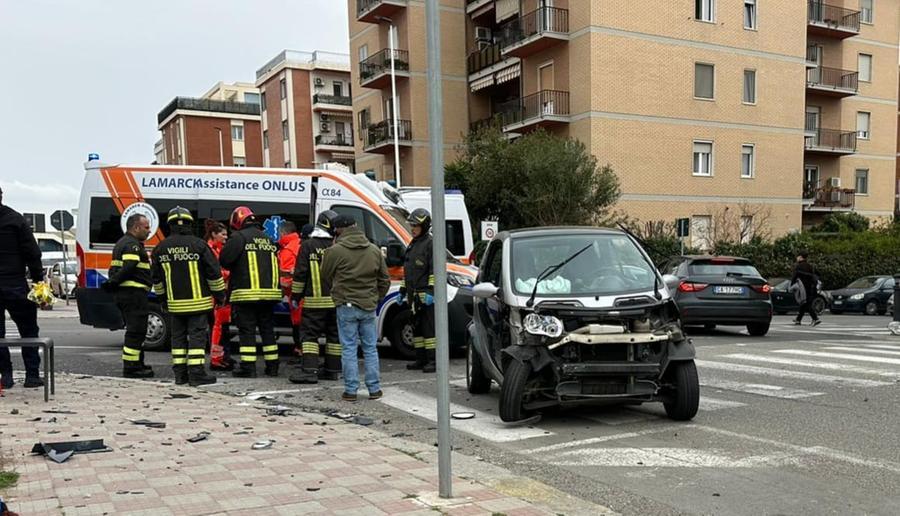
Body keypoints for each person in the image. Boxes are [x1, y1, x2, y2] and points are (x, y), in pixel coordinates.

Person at [151, 207, 226, 386]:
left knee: (177, 339)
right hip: (198, 304)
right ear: (190, 223)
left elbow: (157, 279)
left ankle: (180, 375)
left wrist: (163, 300)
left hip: (175, 305)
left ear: (170, 225)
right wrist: (220, 295)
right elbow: (214, 273)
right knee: (197, 338)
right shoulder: (199, 245)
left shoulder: (160, 248)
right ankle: (197, 374)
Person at [321, 214, 390, 402]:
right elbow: (385, 279)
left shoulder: (335, 251)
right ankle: (374, 388)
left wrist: (337, 293)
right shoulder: (374, 250)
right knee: (370, 348)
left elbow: (325, 275)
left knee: (349, 348)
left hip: (346, 304)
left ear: (338, 231)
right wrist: (376, 296)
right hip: (368, 304)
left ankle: (351, 390)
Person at [219, 206, 282, 378]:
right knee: (267, 331)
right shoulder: (268, 239)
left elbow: (225, 260)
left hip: (246, 295)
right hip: (269, 295)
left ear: (238, 221)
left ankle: (248, 367)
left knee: (247, 332)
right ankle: (272, 367)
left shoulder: (239, 237)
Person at [0, 186, 45, 388]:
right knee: (28, 331)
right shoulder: (15, 219)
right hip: (14, 285)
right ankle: (32, 376)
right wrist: (37, 282)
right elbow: (32, 253)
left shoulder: (15, 219)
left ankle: (6, 376)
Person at [289, 211, 341, 384]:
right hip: (335, 302)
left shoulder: (308, 245)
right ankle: (332, 370)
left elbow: (300, 274)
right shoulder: (337, 246)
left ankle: (309, 371)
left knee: (310, 336)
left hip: (314, 302)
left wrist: (295, 296)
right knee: (334, 337)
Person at [105, 212, 154, 378]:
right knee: (136, 332)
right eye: (146, 227)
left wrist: (113, 282)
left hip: (129, 294)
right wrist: (113, 282)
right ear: (136, 227)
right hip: (133, 294)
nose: (149, 231)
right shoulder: (132, 244)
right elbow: (129, 266)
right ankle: (132, 367)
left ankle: (137, 363)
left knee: (136, 331)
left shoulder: (123, 243)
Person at [401, 208, 436, 373]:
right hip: (413, 297)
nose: (412, 228)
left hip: (425, 296)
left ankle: (433, 360)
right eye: (412, 225)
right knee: (417, 330)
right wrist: (402, 290)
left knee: (429, 331)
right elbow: (407, 270)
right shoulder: (413, 244)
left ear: (425, 225)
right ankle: (421, 359)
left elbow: (434, 270)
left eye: (415, 225)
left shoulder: (430, 244)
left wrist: (431, 291)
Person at [205, 219, 234, 371]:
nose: (225, 237)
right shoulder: (210, 250)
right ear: (214, 234)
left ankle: (223, 356)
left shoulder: (218, 249)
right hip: (216, 295)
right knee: (218, 328)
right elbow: (215, 272)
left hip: (222, 294)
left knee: (223, 328)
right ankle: (216, 360)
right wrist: (230, 273)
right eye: (223, 234)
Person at [277, 221, 303, 349]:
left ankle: (300, 350)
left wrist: (279, 289)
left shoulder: (288, 250)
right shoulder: (300, 244)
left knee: (298, 325)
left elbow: (286, 278)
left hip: (296, 296)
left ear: (283, 233)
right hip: (306, 294)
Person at [792, 251, 821, 327]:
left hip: (802, 288)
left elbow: (795, 277)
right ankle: (798, 320)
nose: (797, 258)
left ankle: (815, 318)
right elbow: (816, 275)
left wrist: (792, 285)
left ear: (801, 257)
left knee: (806, 303)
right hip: (811, 287)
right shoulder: (810, 266)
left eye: (798, 256)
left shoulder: (799, 266)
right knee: (804, 303)